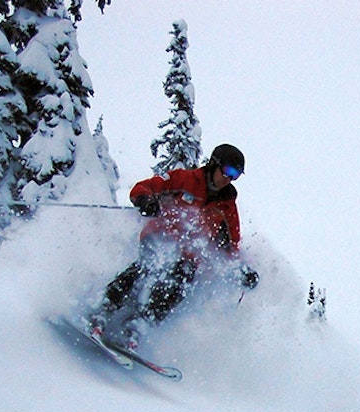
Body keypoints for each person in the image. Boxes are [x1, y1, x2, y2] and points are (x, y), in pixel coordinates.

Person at [85, 143, 258, 351]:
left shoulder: (227, 207)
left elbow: (230, 246)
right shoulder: (185, 180)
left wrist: (241, 269)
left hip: (188, 256)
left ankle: (138, 325)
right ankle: (104, 308)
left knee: (182, 280)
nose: (230, 179)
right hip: (160, 236)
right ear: (214, 164)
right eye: (229, 171)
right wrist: (145, 200)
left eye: (236, 175)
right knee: (150, 264)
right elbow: (143, 188)